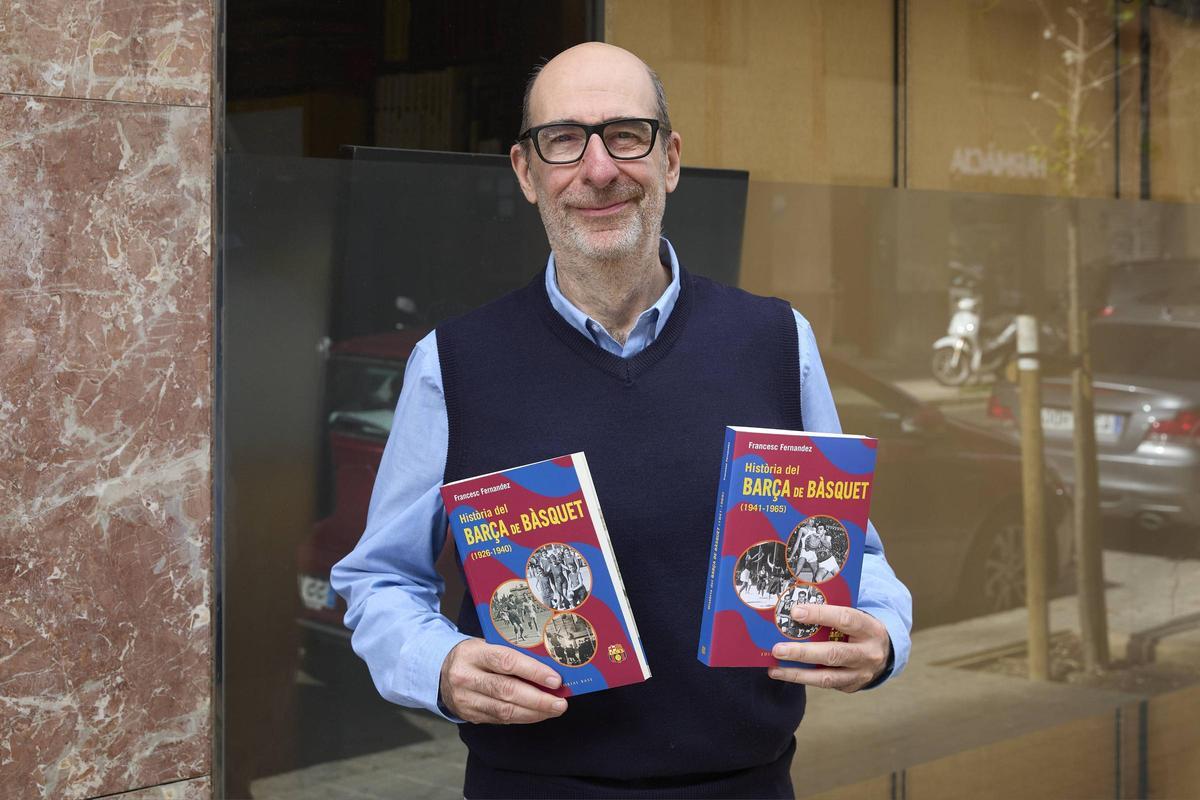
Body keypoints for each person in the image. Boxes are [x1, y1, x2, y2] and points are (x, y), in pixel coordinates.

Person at [332, 42, 912, 799]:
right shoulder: (453, 364)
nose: (599, 169)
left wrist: (884, 636)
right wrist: (437, 666)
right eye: (564, 139)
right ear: (526, 172)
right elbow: (380, 581)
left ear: (669, 160)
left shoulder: (775, 341)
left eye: (626, 135)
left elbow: (848, 550)